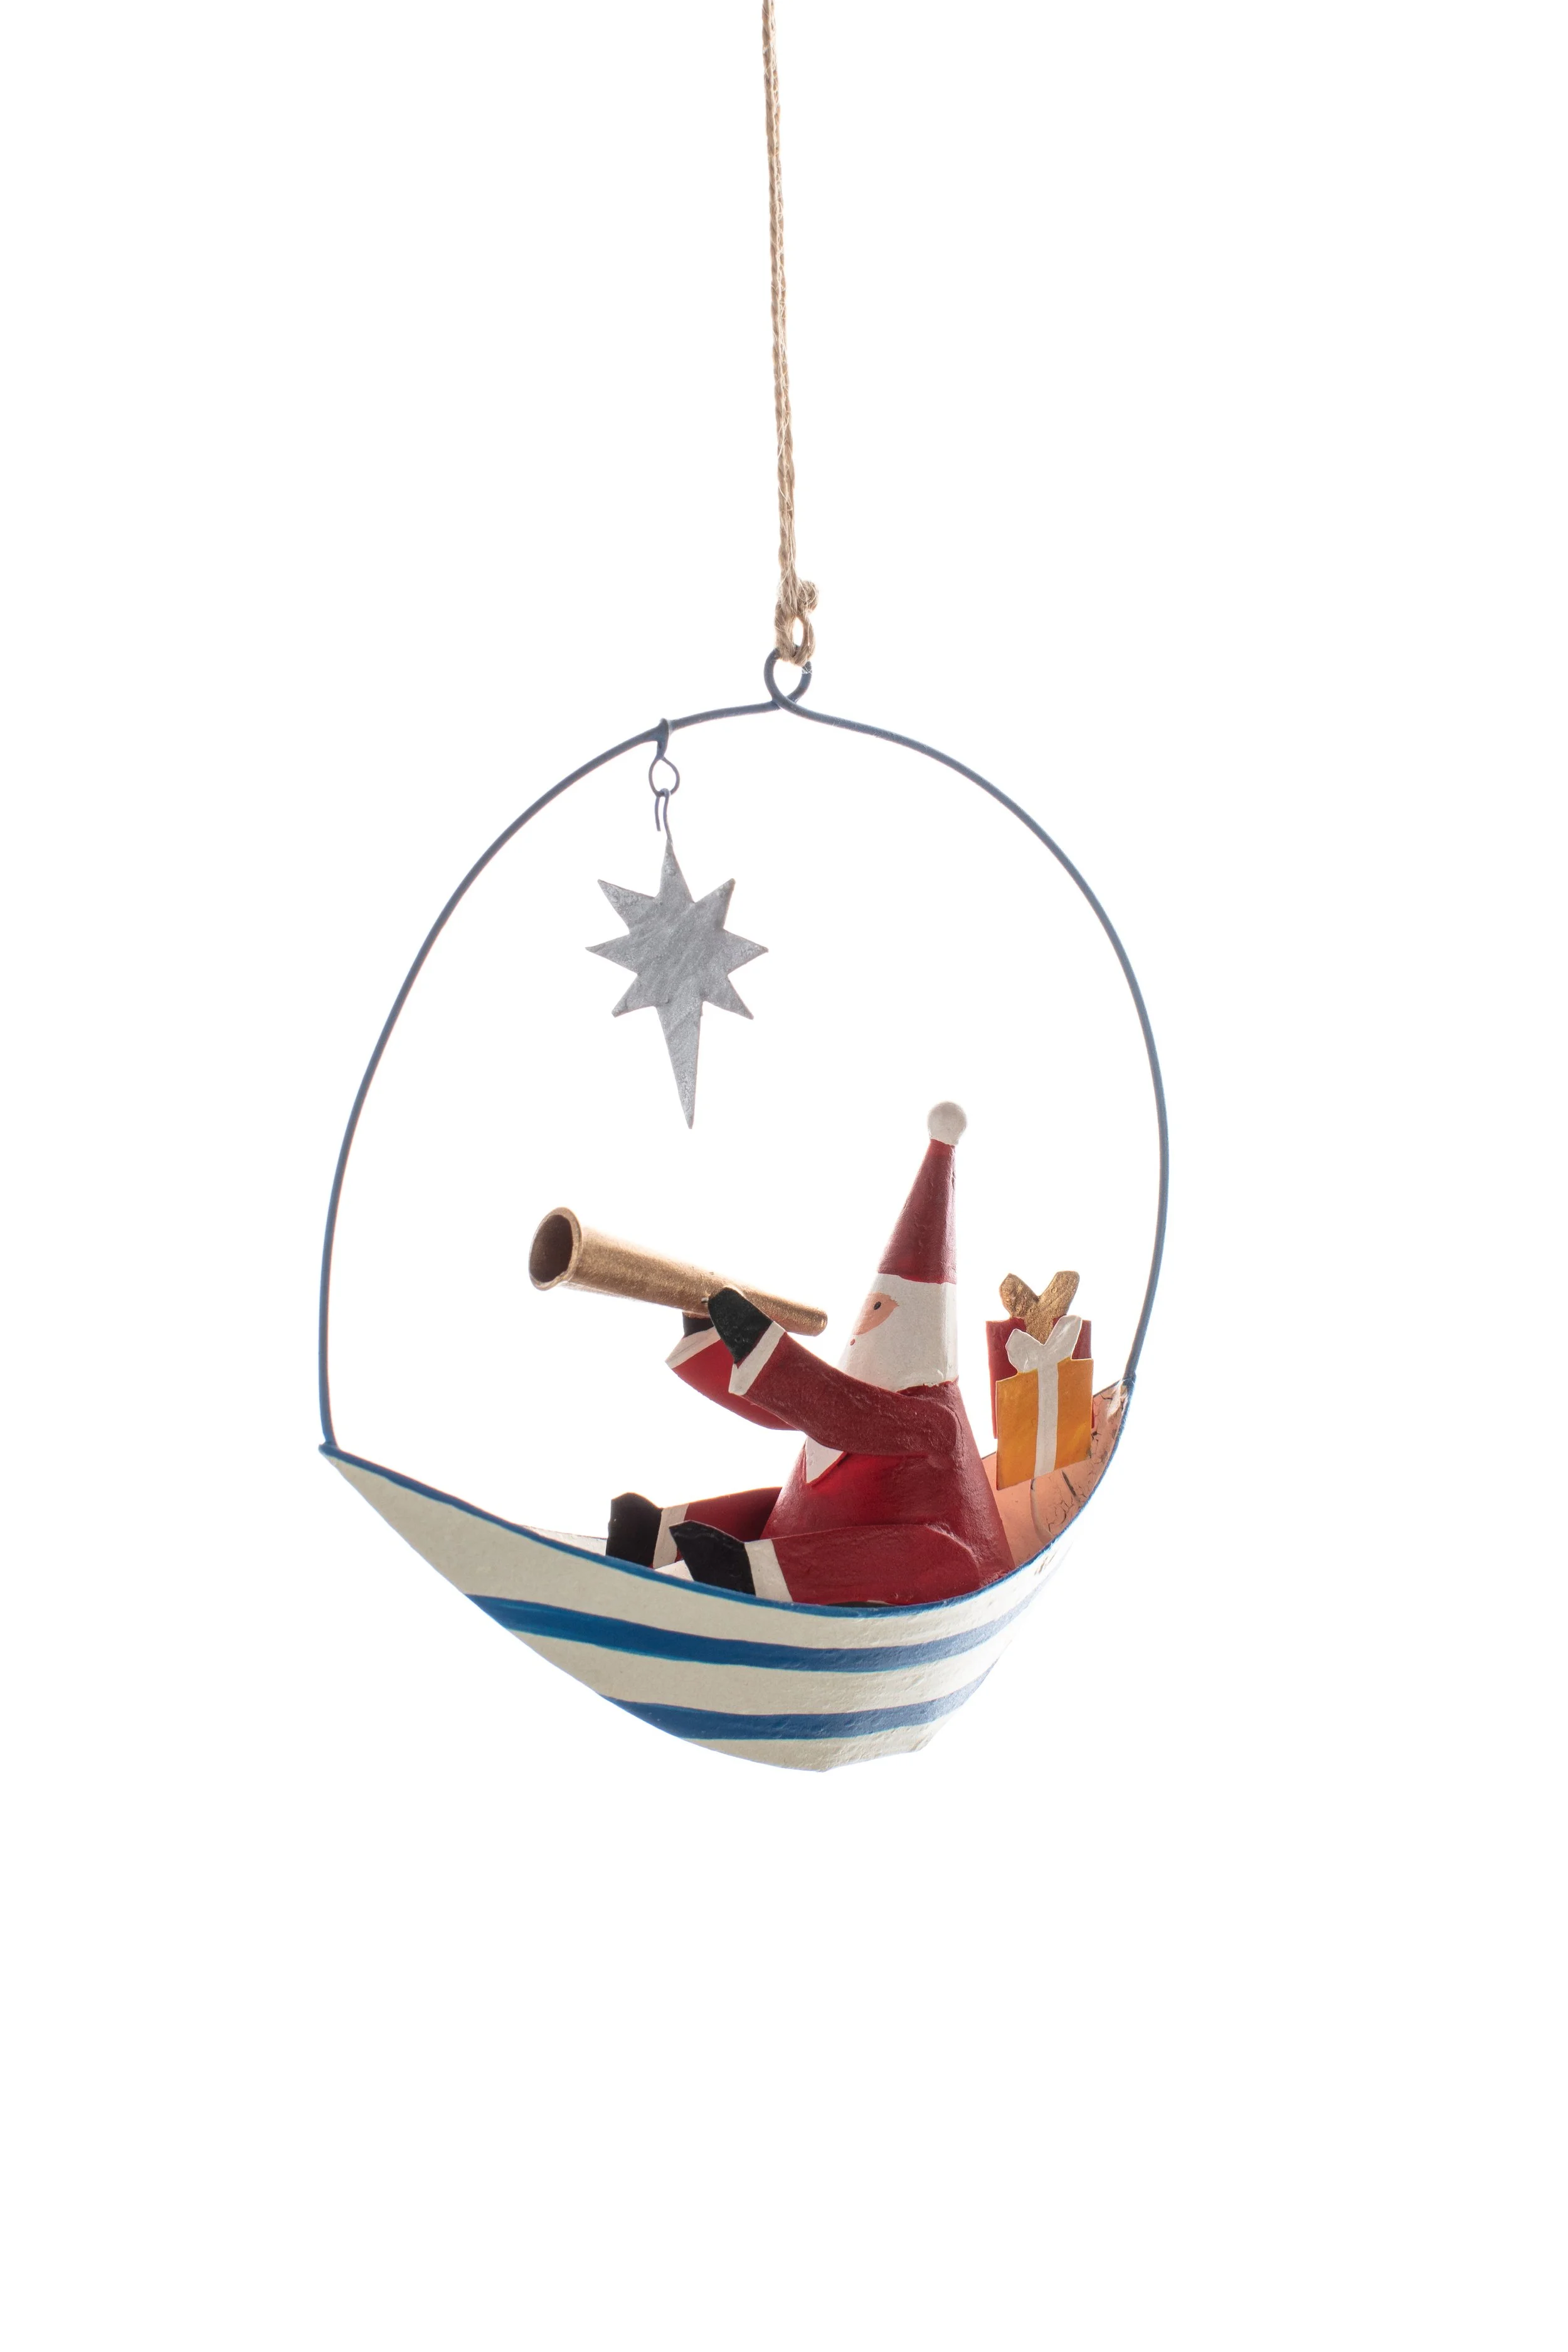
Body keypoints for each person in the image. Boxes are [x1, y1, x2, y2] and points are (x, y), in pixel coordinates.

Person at [607, 1104, 1014, 1607]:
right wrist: (708, 1333)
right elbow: (780, 1409)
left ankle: (746, 1574)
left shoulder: (935, 1424)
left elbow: (839, 1413)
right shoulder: (846, 1388)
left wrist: (756, 1341)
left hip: (935, 1571)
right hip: (816, 1531)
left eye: (880, 1310)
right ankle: (657, 1538)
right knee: (776, 1507)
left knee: (937, 1557)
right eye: (869, 1309)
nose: (865, 1326)